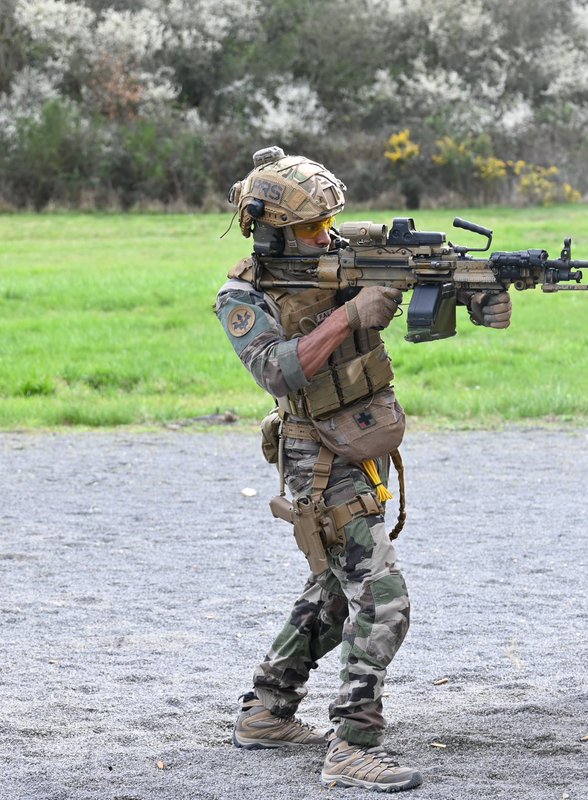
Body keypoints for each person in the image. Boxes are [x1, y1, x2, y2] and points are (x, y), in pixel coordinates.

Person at [214, 146, 511, 793]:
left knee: (335, 590)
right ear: (270, 230)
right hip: (313, 452)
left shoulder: (344, 255)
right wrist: (354, 313)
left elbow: (420, 273)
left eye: (328, 223)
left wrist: (474, 290)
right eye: (312, 228)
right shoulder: (240, 294)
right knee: (383, 599)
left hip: (355, 437)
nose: (328, 236)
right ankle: (353, 743)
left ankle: (267, 709)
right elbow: (276, 369)